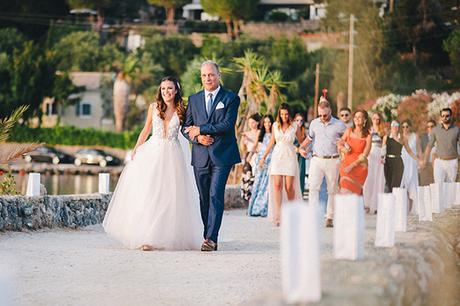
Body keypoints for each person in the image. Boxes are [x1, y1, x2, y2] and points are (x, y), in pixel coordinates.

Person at [103, 76, 202, 251]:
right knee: (150, 193)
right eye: (163, 89)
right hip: (153, 153)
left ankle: (167, 236)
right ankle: (147, 238)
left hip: (173, 155)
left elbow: (187, 130)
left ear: (176, 90)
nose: (166, 92)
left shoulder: (182, 110)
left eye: (170, 88)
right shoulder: (154, 107)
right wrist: (136, 148)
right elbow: (146, 129)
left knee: (170, 196)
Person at [182, 60, 241, 252]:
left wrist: (202, 129)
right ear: (201, 78)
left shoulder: (231, 98)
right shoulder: (194, 99)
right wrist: (198, 138)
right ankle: (207, 234)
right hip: (200, 155)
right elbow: (185, 128)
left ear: (219, 75)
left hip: (222, 155)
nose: (208, 78)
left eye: (211, 74)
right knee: (204, 198)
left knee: (215, 194)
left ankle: (211, 239)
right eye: (204, 75)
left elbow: (227, 124)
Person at [299, 98, 346, 228]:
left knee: (332, 190)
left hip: (333, 160)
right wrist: (301, 148)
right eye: (320, 115)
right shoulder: (314, 123)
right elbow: (310, 138)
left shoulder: (340, 125)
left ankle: (330, 217)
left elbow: (347, 140)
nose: (322, 117)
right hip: (317, 159)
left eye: (324, 115)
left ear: (330, 110)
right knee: (313, 187)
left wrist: (343, 145)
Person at [259, 103, 303, 226]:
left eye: (286, 114)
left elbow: (302, 141)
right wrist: (263, 157)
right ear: (279, 114)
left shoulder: (295, 126)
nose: (284, 116)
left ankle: (292, 212)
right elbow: (272, 142)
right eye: (282, 114)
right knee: (277, 185)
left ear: (290, 114)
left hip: (289, 156)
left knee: (289, 187)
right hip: (277, 156)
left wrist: (302, 149)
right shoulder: (275, 125)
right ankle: (278, 215)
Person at [337, 109, 372, 195]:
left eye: (360, 117)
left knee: (355, 195)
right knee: (344, 191)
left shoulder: (368, 136)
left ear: (365, 120)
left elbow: (365, 155)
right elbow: (339, 143)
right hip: (346, 166)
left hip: (359, 168)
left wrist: (352, 166)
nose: (357, 119)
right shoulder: (348, 131)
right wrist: (343, 149)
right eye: (355, 117)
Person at [422, 108, 459, 183]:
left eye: (447, 115)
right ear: (440, 117)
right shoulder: (435, 130)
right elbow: (429, 146)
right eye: (443, 116)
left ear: (451, 116)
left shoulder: (457, 130)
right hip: (439, 162)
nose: (445, 117)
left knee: (451, 187)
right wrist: (424, 161)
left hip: (452, 162)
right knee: (438, 187)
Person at [248, 114, 274, 217]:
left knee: (266, 185)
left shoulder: (274, 134)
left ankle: (262, 209)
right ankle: (254, 208)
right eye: (265, 122)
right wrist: (249, 156)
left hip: (271, 160)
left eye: (269, 122)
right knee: (258, 184)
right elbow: (255, 145)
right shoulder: (260, 133)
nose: (267, 124)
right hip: (260, 160)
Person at [382, 120, 419, 193]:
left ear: (398, 127)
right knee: (388, 185)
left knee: (395, 185)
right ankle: (389, 202)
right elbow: (383, 150)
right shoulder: (386, 138)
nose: (395, 127)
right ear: (391, 127)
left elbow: (409, 151)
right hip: (388, 162)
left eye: (396, 126)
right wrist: (382, 157)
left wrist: (418, 160)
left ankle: (395, 202)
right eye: (393, 125)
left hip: (398, 162)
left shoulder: (402, 139)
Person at [362, 112, 386, 213]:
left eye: (377, 118)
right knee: (368, 179)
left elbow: (384, 145)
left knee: (379, 180)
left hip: (379, 154)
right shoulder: (368, 130)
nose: (376, 120)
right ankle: (367, 204)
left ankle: (376, 205)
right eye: (374, 118)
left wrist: (383, 155)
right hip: (370, 155)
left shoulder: (382, 131)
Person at [241, 113, 261, 203]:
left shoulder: (260, 132)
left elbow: (257, 145)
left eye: (253, 122)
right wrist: (243, 140)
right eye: (249, 123)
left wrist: (250, 140)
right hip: (248, 155)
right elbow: (242, 148)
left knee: (255, 177)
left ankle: (256, 199)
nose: (251, 124)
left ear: (257, 123)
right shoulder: (246, 133)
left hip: (257, 155)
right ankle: (248, 198)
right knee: (247, 177)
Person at [400, 120, 421, 203]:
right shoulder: (400, 137)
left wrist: (420, 161)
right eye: (403, 127)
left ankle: (415, 206)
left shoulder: (415, 136)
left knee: (413, 182)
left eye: (407, 126)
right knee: (403, 182)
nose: (405, 128)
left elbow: (419, 150)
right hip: (402, 162)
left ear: (410, 127)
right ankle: (404, 206)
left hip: (412, 161)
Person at [419, 119, 436, 186]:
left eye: (432, 126)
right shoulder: (423, 137)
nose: (430, 128)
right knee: (425, 185)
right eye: (428, 126)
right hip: (425, 164)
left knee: (434, 185)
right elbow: (420, 151)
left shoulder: (438, 137)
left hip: (436, 164)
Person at [294, 113, 307, 195]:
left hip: (301, 156)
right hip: (293, 155)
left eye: (301, 120)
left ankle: (300, 193)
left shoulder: (303, 132)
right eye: (297, 120)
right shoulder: (291, 131)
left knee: (301, 174)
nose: (299, 122)